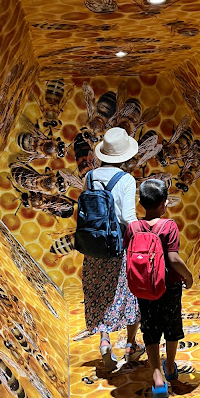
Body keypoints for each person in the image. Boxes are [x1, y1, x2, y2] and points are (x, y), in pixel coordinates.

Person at [81, 127, 145, 372]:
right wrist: (144, 234)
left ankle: (105, 342)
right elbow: (128, 217)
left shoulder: (90, 177)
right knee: (129, 295)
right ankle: (130, 345)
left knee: (100, 292)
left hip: (94, 245)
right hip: (119, 247)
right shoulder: (126, 180)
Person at [124, 179, 193, 398]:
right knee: (172, 326)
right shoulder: (169, 226)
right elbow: (173, 259)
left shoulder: (133, 228)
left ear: (141, 203)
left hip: (144, 288)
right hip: (169, 286)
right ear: (164, 203)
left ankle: (157, 376)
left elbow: (129, 254)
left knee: (150, 328)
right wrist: (188, 275)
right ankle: (170, 366)